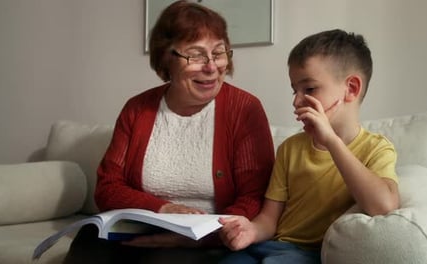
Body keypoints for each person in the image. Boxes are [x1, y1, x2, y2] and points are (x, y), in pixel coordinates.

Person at [63, 1, 275, 263]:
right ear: (166, 58)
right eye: (195, 55)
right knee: (88, 244)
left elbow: (254, 197)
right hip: (143, 227)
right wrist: (163, 209)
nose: (211, 66)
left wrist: (201, 235)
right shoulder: (137, 109)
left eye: (218, 53)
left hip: (210, 238)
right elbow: (108, 186)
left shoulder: (244, 109)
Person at [218, 29, 400, 264]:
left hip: (311, 255)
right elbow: (269, 220)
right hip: (270, 246)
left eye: (310, 89)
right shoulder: (290, 149)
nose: (296, 101)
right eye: (295, 90)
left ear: (351, 88)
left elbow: (383, 206)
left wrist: (331, 142)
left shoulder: (376, 149)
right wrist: (250, 231)